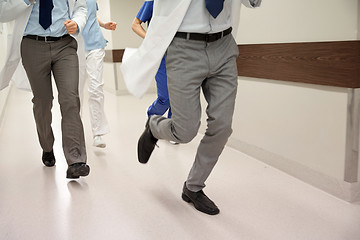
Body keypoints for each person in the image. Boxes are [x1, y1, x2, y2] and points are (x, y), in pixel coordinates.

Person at [132, 0, 262, 215]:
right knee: (184, 131)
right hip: (183, 46)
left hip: (224, 45)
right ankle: (154, 126)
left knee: (222, 125)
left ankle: (193, 187)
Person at [4, 0, 90, 179]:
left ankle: (76, 160)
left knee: (70, 99)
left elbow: (81, 7)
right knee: (43, 102)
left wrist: (77, 22)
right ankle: (47, 145)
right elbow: (2, 12)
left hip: (65, 45)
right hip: (32, 45)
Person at [80, 0, 116, 148]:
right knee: (74, 92)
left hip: (95, 44)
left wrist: (103, 24)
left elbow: (91, 16)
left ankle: (98, 133)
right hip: (74, 47)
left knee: (96, 88)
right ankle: (76, 133)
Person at [131, 0, 172, 119]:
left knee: (179, 99)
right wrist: (151, 39)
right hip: (160, 55)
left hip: (180, 53)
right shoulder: (152, 1)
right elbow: (135, 24)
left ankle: (172, 131)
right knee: (165, 98)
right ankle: (151, 118)